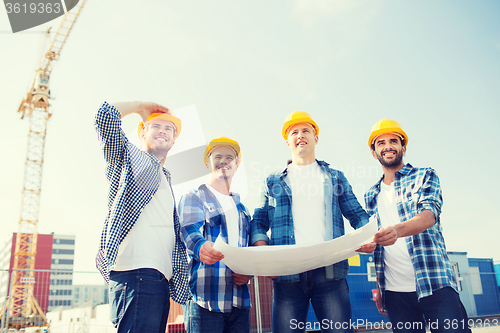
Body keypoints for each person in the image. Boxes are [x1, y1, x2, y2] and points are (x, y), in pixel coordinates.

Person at [250, 111, 374, 333]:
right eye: (294, 132)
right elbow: (259, 221)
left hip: (330, 273)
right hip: (287, 274)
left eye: (306, 130)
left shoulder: (335, 177)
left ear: (316, 138)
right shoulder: (272, 181)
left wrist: (368, 235)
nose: (300, 135)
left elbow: (356, 214)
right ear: (287, 141)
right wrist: (264, 254)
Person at [365, 118, 470, 333]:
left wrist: (397, 230)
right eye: (381, 143)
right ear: (374, 153)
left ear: (403, 147)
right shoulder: (370, 195)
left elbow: (429, 215)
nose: (388, 146)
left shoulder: (425, 175)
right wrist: (379, 285)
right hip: (395, 292)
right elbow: (378, 244)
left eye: (393, 141)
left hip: (435, 283)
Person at [94, 101, 189, 333]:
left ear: (174, 141)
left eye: (169, 129)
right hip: (136, 274)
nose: (162, 131)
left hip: (159, 280)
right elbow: (105, 116)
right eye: (155, 126)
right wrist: (142, 106)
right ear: (142, 133)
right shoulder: (129, 159)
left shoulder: (165, 177)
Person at [179, 137, 252, 333]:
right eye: (217, 156)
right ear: (207, 163)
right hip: (205, 300)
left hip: (239, 302)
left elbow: (250, 250)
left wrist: (248, 272)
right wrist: (200, 246)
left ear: (237, 165)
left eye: (229, 157)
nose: (223, 161)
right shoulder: (194, 196)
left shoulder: (243, 210)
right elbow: (188, 228)